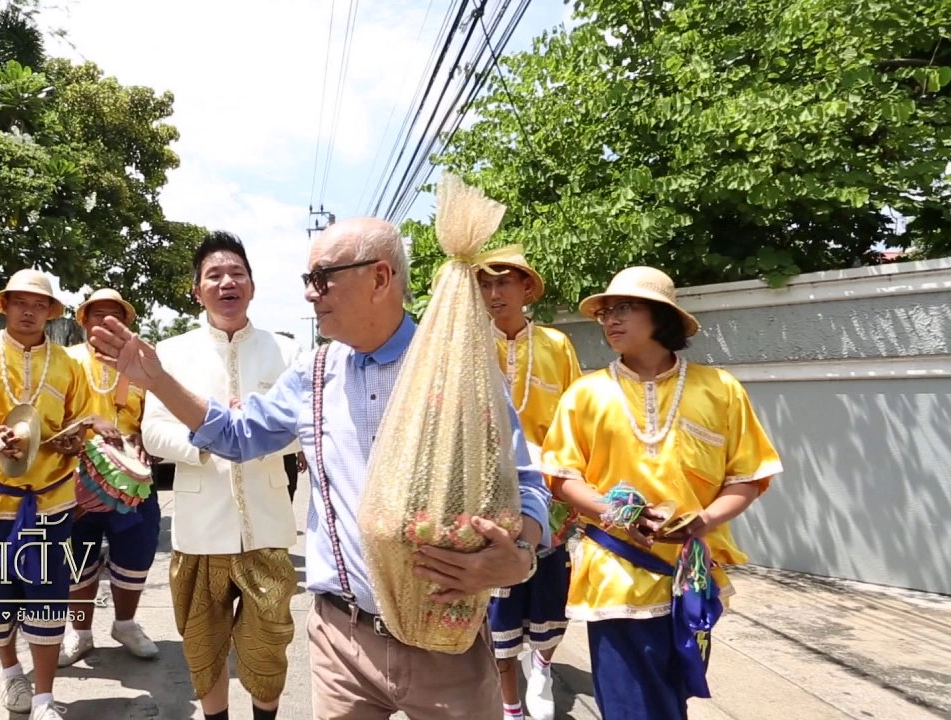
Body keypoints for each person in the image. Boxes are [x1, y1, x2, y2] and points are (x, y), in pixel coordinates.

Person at [91, 217, 551, 720]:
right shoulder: (314, 373)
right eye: (309, 281)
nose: (312, 295)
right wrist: (156, 380)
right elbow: (237, 435)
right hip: (342, 641)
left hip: (444, 637)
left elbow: (523, 480)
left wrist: (521, 553)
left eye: (323, 278)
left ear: (379, 278)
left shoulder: (457, 368)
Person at [539, 266, 783, 720]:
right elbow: (561, 475)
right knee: (626, 698)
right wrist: (616, 511)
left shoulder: (719, 389)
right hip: (615, 567)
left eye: (625, 308)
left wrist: (705, 520)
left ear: (661, 316)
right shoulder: (585, 393)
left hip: (689, 574)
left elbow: (749, 475)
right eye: (606, 312)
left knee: (673, 694)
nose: (611, 319)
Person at [139, 231, 302, 720]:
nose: (227, 282)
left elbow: (302, 429)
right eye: (214, 275)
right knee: (203, 649)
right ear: (196, 289)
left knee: (267, 649)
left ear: (252, 286)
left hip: (268, 532)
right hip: (198, 532)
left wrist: (251, 431)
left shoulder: (287, 352)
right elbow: (152, 433)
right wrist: (211, 437)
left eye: (237, 274)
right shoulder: (170, 355)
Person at [0, 269, 106, 720]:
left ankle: (43, 697)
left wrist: (72, 441)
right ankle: (10, 673)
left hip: (50, 500)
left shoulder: (69, 365)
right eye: (20, 302)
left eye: (39, 304)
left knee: (47, 593)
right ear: (4, 305)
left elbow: (85, 425)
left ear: (51, 312)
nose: (29, 311)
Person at [474, 246, 582, 720]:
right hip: (491, 489)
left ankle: (542, 663)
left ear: (525, 289)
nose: (495, 293)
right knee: (499, 594)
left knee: (550, 589)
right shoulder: (470, 345)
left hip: (552, 489)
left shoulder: (557, 346)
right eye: (486, 284)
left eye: (504, 283)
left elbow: (578, 421)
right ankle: (510, 700)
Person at [57, 287, 161, 664]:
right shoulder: (64, 361)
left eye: (112, 315)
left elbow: (159, 416)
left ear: (125, 323)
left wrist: (150, 441)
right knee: (78, 557)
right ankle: (80, 633)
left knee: (136, 552)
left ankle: (126, 624)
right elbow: (51, 416)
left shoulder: (143, 363)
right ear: (82, 320)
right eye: (96, 314)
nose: (104, 321)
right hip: (75, 477)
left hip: (132, 477)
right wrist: (85, 425)